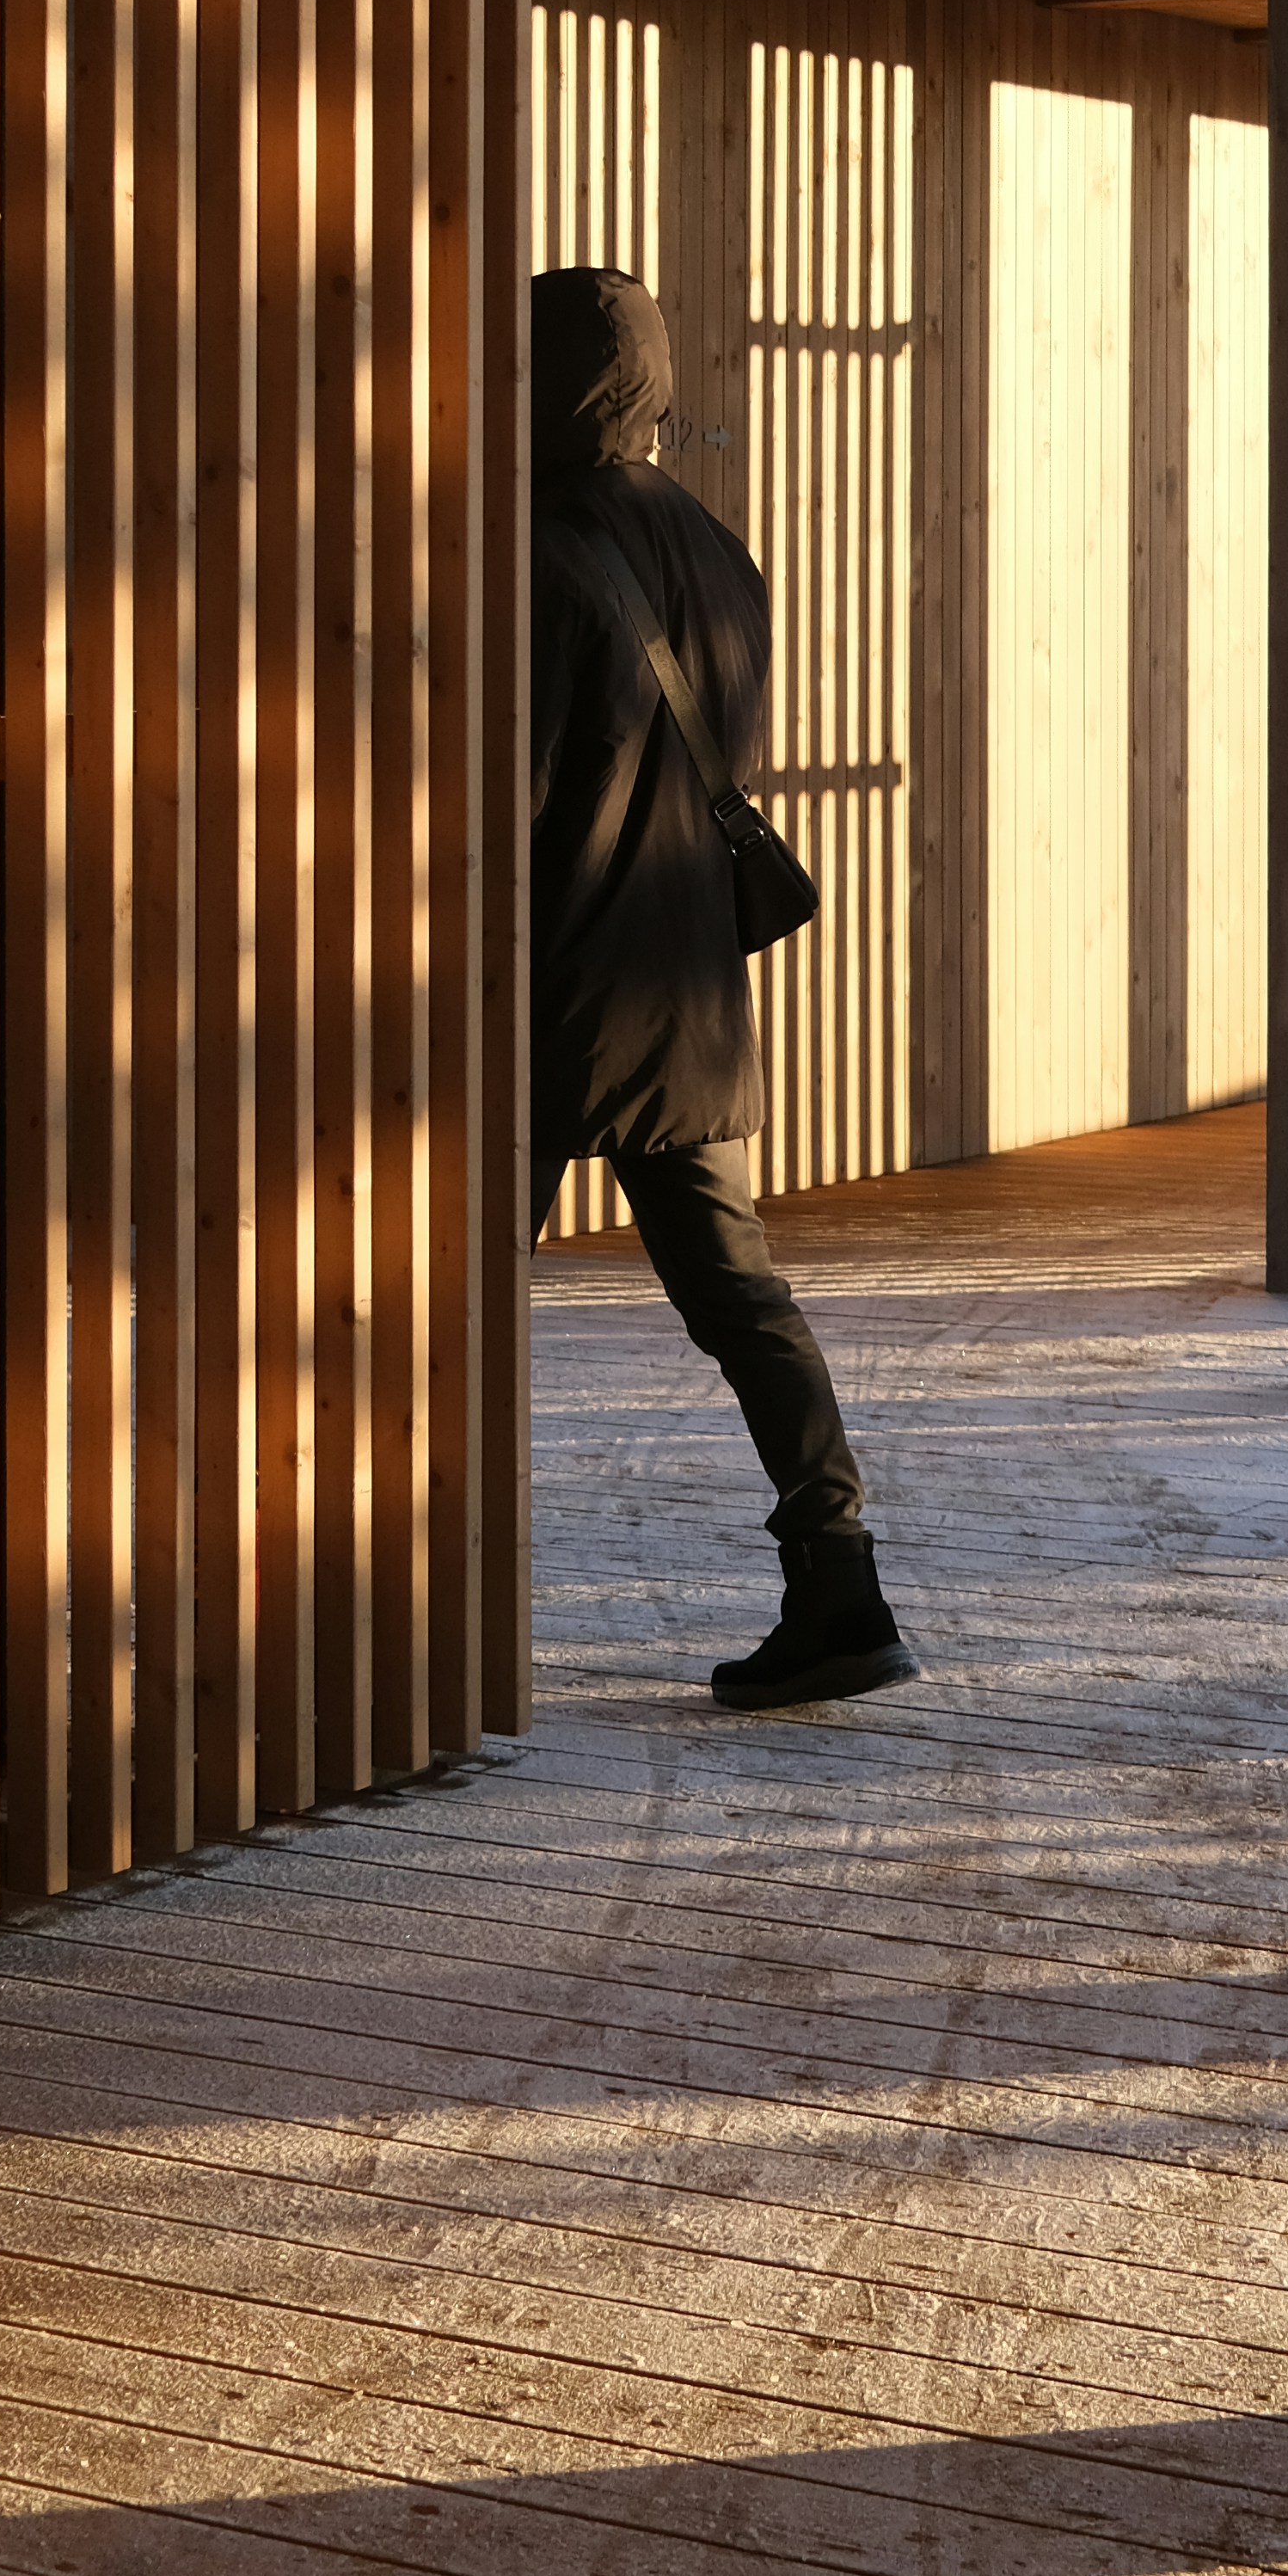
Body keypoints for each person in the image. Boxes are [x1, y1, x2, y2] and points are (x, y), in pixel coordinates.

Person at [528, 263, 917, 1710]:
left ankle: (398, 1623)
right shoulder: (714, 547)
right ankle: (841, 1585)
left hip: (545, 999)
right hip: (685, 996)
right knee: (746, 1304)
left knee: (439, 1320)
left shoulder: (531, 552)